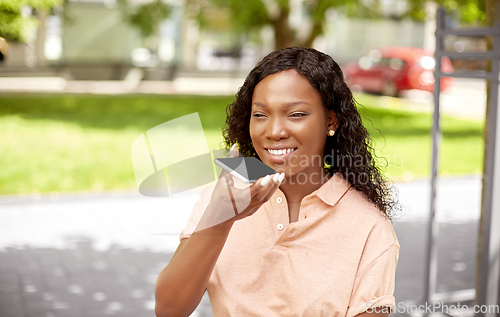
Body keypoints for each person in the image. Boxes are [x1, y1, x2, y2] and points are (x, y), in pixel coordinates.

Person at [155, 47, 401, 317]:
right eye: (260, 115)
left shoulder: (369, 227)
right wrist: (219, 219)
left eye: (295, 114)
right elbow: (169, 309)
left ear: (330, 121)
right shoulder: (222, 198)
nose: (274, 132)